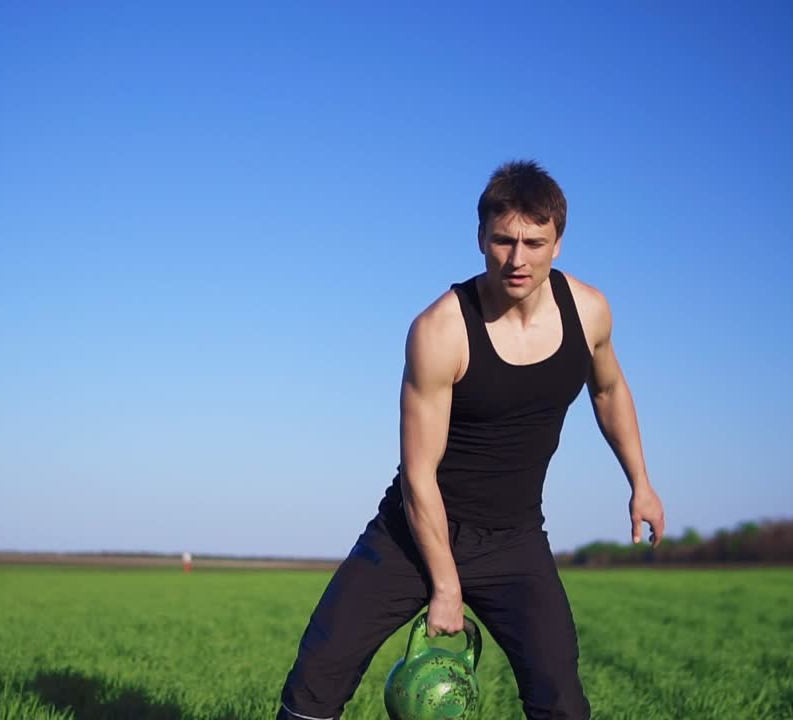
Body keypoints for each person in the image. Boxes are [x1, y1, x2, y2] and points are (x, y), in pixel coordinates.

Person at [276, 160, 666, 720]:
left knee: (559, 693)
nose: (518, 258)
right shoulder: (441, 330)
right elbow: (418, 475)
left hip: (515, 539)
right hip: (413, 533)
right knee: (319, 672)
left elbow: (608, 391)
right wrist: (445, 583)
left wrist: (641, 483)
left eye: (535, 241)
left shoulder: (589, 312)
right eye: (503, 240)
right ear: (480, 237)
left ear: (558, 242)